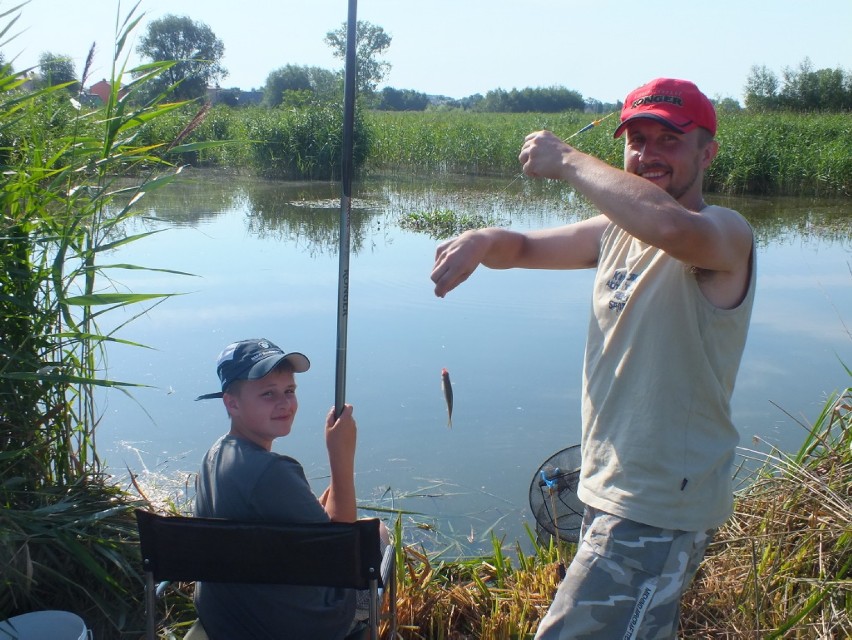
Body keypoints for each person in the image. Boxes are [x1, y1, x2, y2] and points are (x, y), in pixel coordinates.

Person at [431, 78, 756, 639]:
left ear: (708, 152)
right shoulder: (615, 233)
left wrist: (567, 159)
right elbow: (526, 249)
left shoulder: (726, 235)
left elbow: (671, 225)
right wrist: (483, 239)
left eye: (668, 140)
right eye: (636, 139)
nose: (648, 153)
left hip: (655, 509)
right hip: (611, 493)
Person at [193, 337, 366, 640]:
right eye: (268, 394)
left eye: (289, 391)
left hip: (226, 618)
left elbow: (318, 524)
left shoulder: (215, 455)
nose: (284, 404)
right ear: (231, 402)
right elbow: (341, 548)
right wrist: (340, 456)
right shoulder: (272, 471)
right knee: (376, 536)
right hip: (295, 627)